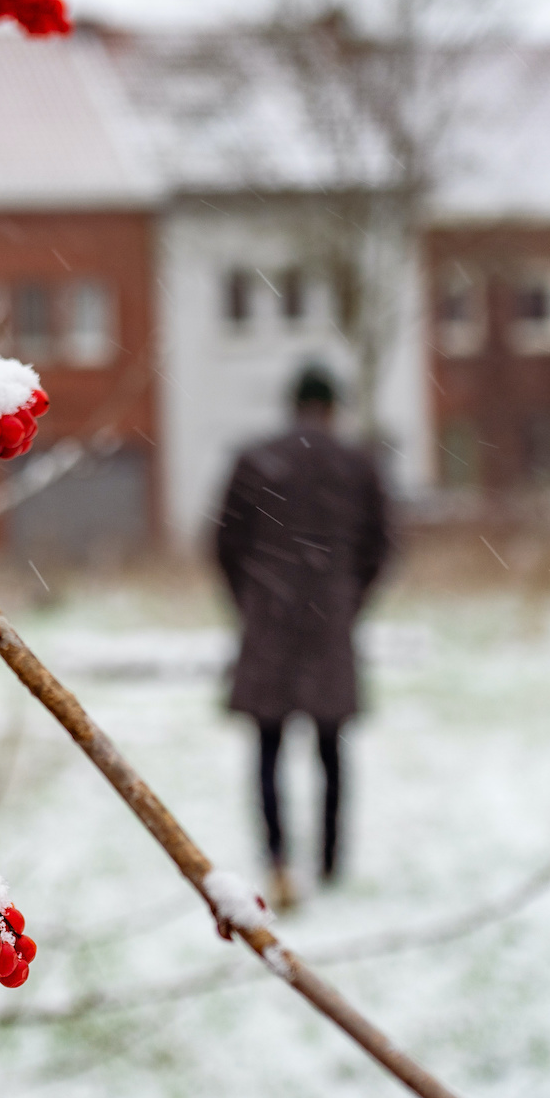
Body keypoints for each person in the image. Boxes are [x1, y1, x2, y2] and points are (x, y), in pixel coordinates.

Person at [214, 366, 391, 910]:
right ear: (333, 407)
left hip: (269, 621)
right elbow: (382, 546)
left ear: (293, 404)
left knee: (267, 748)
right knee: (331, 749)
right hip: (329, 622)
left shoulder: (256, 460)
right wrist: (348, 601)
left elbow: (223, 544)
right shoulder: (358, 463)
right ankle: (331, 861)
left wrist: (250, 602)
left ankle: (276, 858)